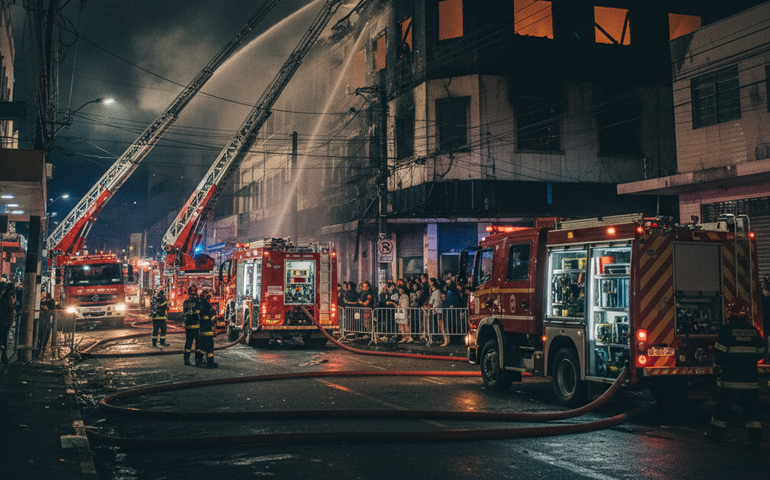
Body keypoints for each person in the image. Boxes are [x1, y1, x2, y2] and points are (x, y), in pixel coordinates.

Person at [706, 298, 764, 449]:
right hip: (750, 381)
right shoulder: (754, 331)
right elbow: (761, 353)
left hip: (730, 380)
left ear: (730, 312)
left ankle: (715, 436)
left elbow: (720, 353)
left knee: (722, 411)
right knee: (752, 413)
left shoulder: (727, 330)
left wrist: (717, 368)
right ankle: (755, 440)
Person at [182, 283, 202, 366]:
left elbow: (184, 314)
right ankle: (198, 361)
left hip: (188, 326)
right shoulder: (198, 302)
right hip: (197, 326)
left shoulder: (186, 302)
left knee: (188, 342)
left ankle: (186, 360)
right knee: (198, 343)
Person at [198, 289, 218, 368]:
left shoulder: (200, 304)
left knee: (203, 347)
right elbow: (211, 315)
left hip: (202, 330)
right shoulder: (206, 305)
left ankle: (199, 360)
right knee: (209, 347)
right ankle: (210, 363)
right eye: (209, 297)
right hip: (208, 330)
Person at [428, 278, 449, 346]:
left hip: (438, 310)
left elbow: (435, 302)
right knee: (442, 325)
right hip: (437, 310)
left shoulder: (436, 292)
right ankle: (445, 339)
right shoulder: (436, 291)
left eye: (430, 282)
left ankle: (446, 340)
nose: (429, 283)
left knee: (442, 325)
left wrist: (430, 307)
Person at [0, 283, 15, 364]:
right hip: (4, 321)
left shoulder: (7, 297)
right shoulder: (6, 297)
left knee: (3, 338)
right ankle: (4, 357)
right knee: (3, 338)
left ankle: (4, 356)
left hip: (6, 321)